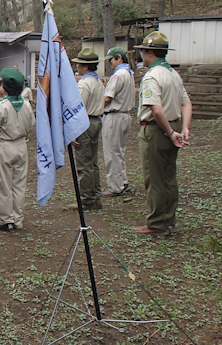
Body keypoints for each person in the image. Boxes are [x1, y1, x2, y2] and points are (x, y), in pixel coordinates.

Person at [132, 32, 192, 236]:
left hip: (157, 129)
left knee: (155, 177)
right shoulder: (174, 74)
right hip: (173, 123)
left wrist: (168, 132)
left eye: (143, 52)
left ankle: (156, 223)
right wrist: (183, 128)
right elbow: (186, 102)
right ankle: (169, 219)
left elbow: (156, 109)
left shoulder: (152, 76)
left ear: (149, 52)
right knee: (168, 176)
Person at [0, 68, 36, 231]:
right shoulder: (27, 106)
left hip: (3, 146)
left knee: (3, 184)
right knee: (19, 184)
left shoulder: (0, 106)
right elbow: (30, 128)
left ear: (5, 87)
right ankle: (18, 219)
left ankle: (6, 220)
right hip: (21, 146)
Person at [68, 47, 105, 211]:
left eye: (79, 64)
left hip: (86, 122)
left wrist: (73, 132)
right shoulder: (98, 81)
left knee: (84, 163)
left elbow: (78, 108)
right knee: (93, 162)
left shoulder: (83, 84)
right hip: (96, 120)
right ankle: (95, 195)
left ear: (85, 66)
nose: (77, 67)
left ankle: (86, 199)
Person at [100, 47, 135, 197]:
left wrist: (95, 108)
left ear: (119, 58)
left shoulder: (118, 75)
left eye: (111, 60)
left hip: (115, 115)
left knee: (112, 152)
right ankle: (122, 181)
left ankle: (115, 186)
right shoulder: (129, 74)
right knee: (119, 151)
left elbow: (108, 97)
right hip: (125, 115)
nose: (110, 64)